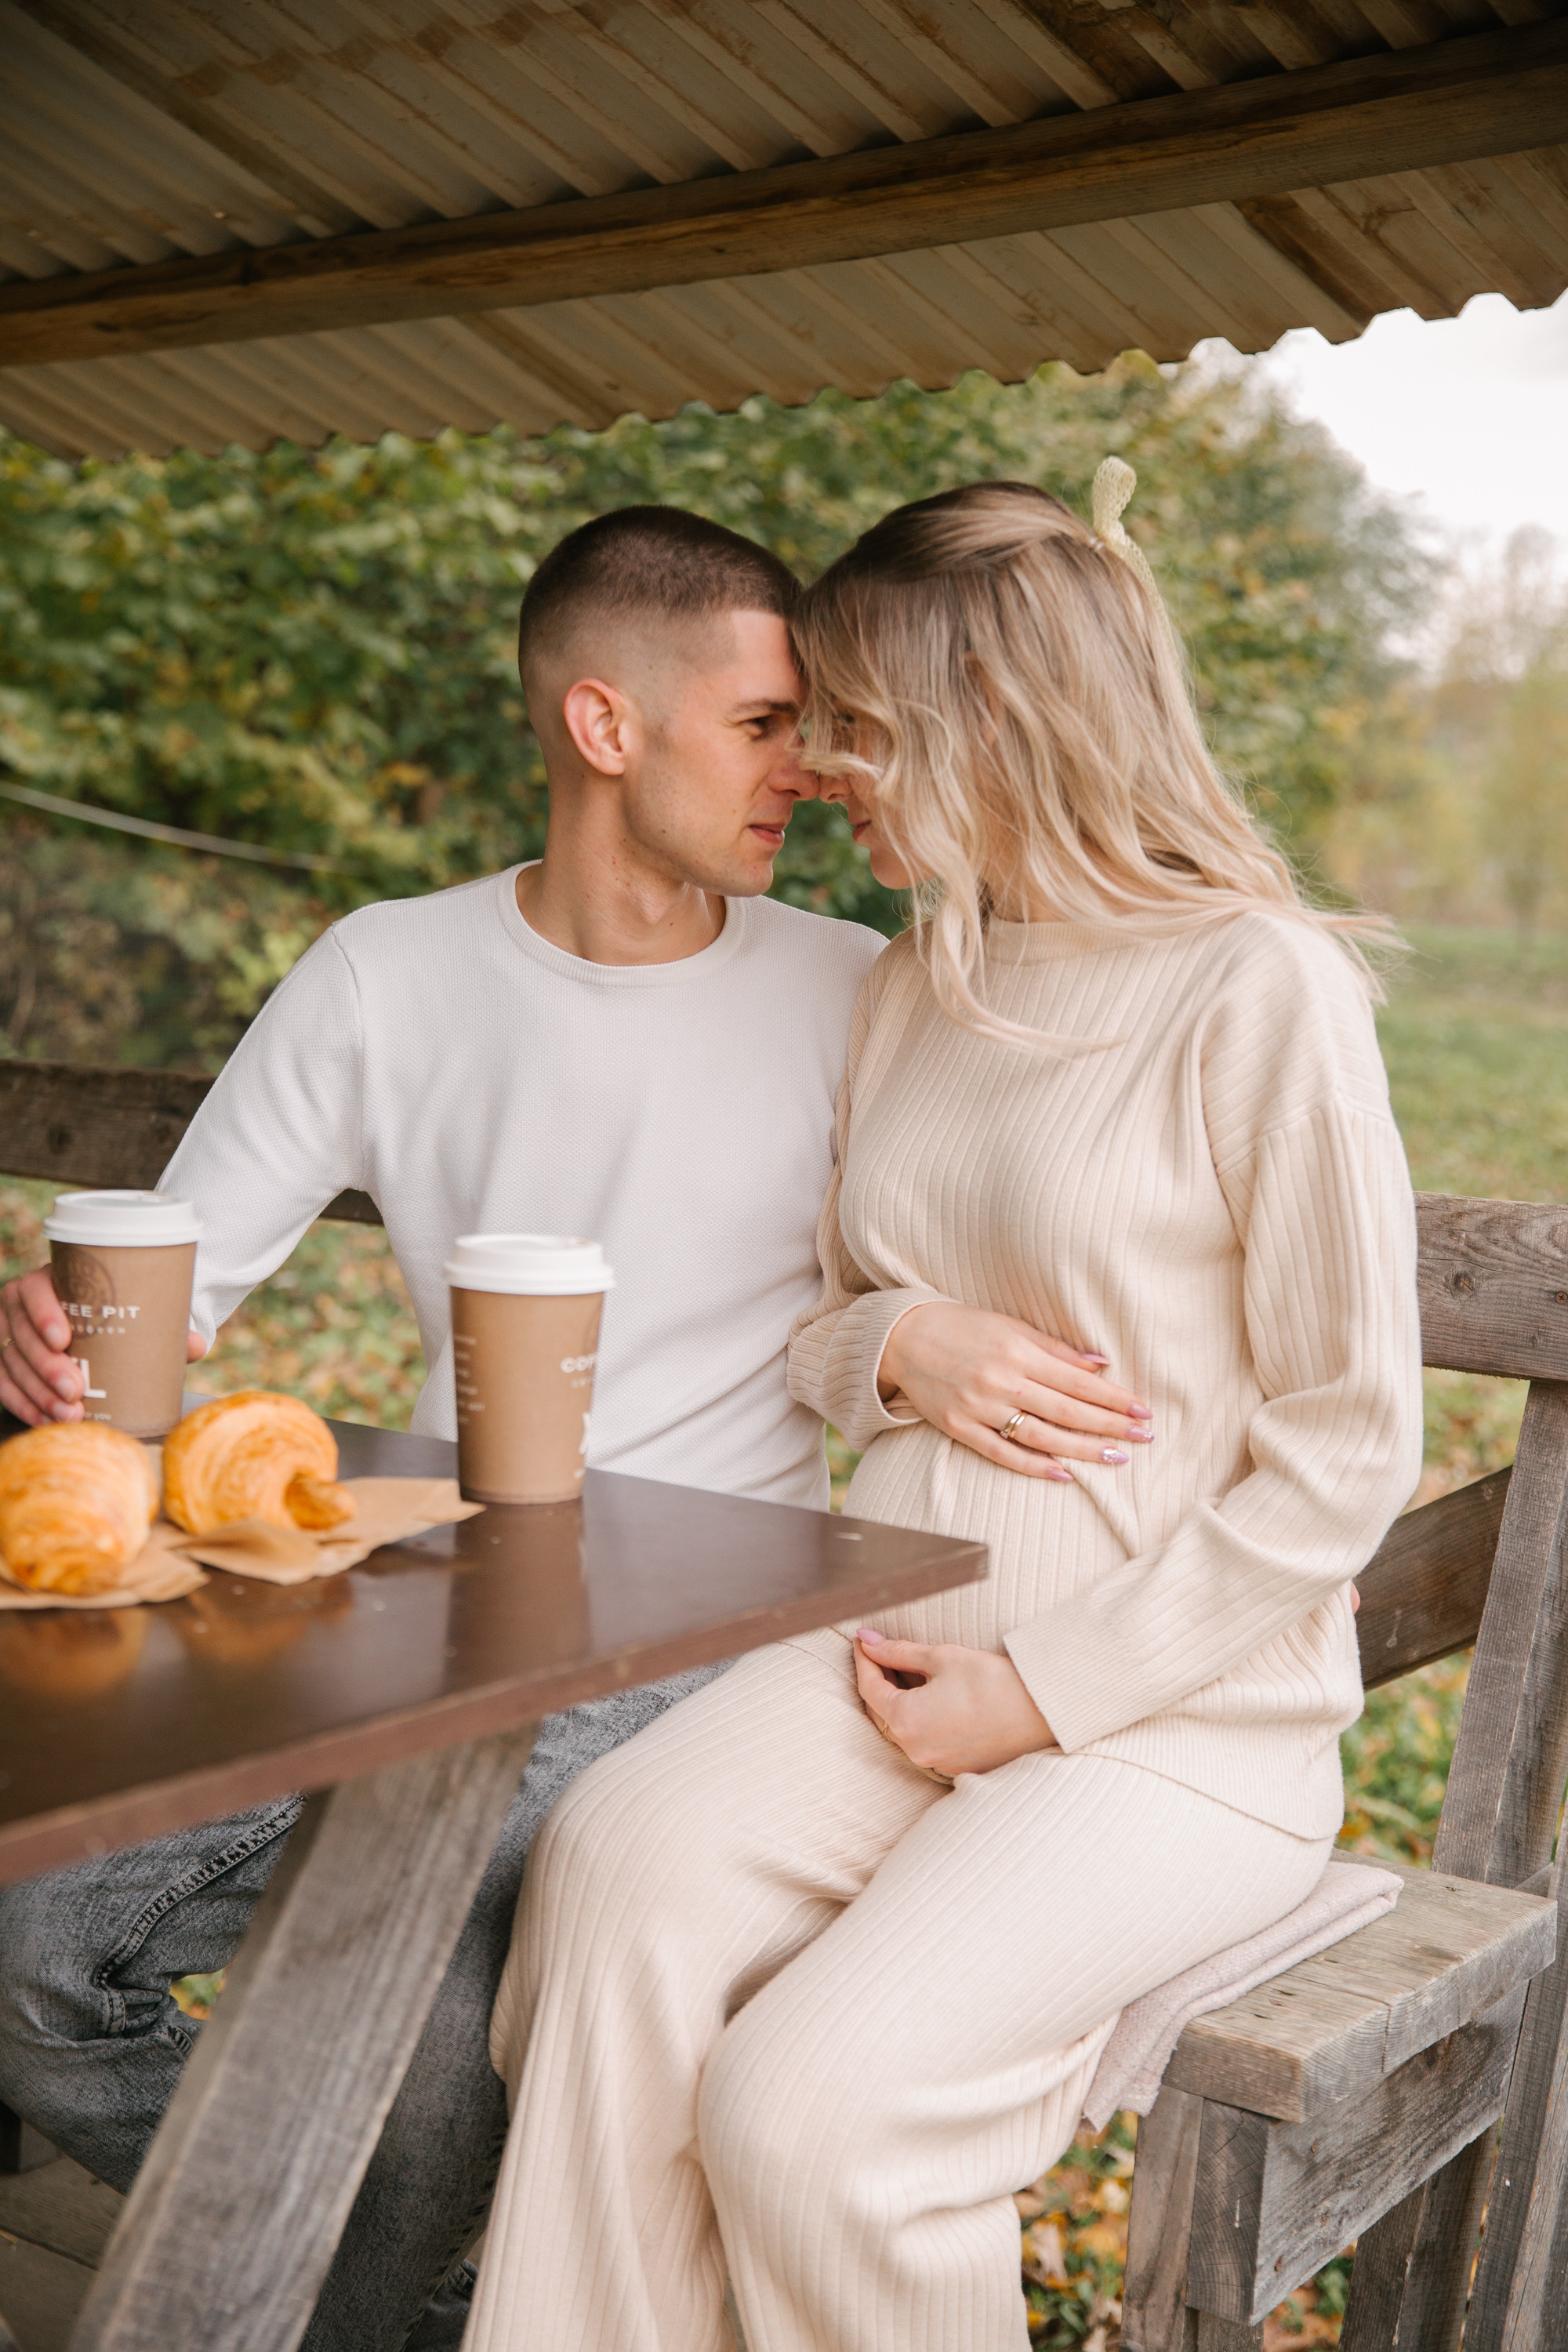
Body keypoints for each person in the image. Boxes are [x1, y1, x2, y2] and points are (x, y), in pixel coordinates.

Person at [0, 502, 1140, 2352]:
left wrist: (912, 1325)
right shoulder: (388, 973)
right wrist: (51, 1337)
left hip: (727, 1633)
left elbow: (1024, 1246)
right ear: (605, 727)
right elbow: (171, 1285)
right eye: (768, 725)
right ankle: (402, 2288)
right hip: (455, 1606)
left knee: (443, 2005)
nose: (815, 767)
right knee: (36, 1951)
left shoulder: (857, 990)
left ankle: (319, 2299)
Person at [462, 475, 1425, 2352]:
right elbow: (824, 1330)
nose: (823, 772)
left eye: (865, 732)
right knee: (612, 1868)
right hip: (887, 1663)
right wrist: (902, 1344)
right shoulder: (919, 983)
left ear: (1004, 726)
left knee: (813, 2113)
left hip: (1167, 1733)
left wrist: (1048, 1690)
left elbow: (1346, 1440)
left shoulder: (1259, 989)